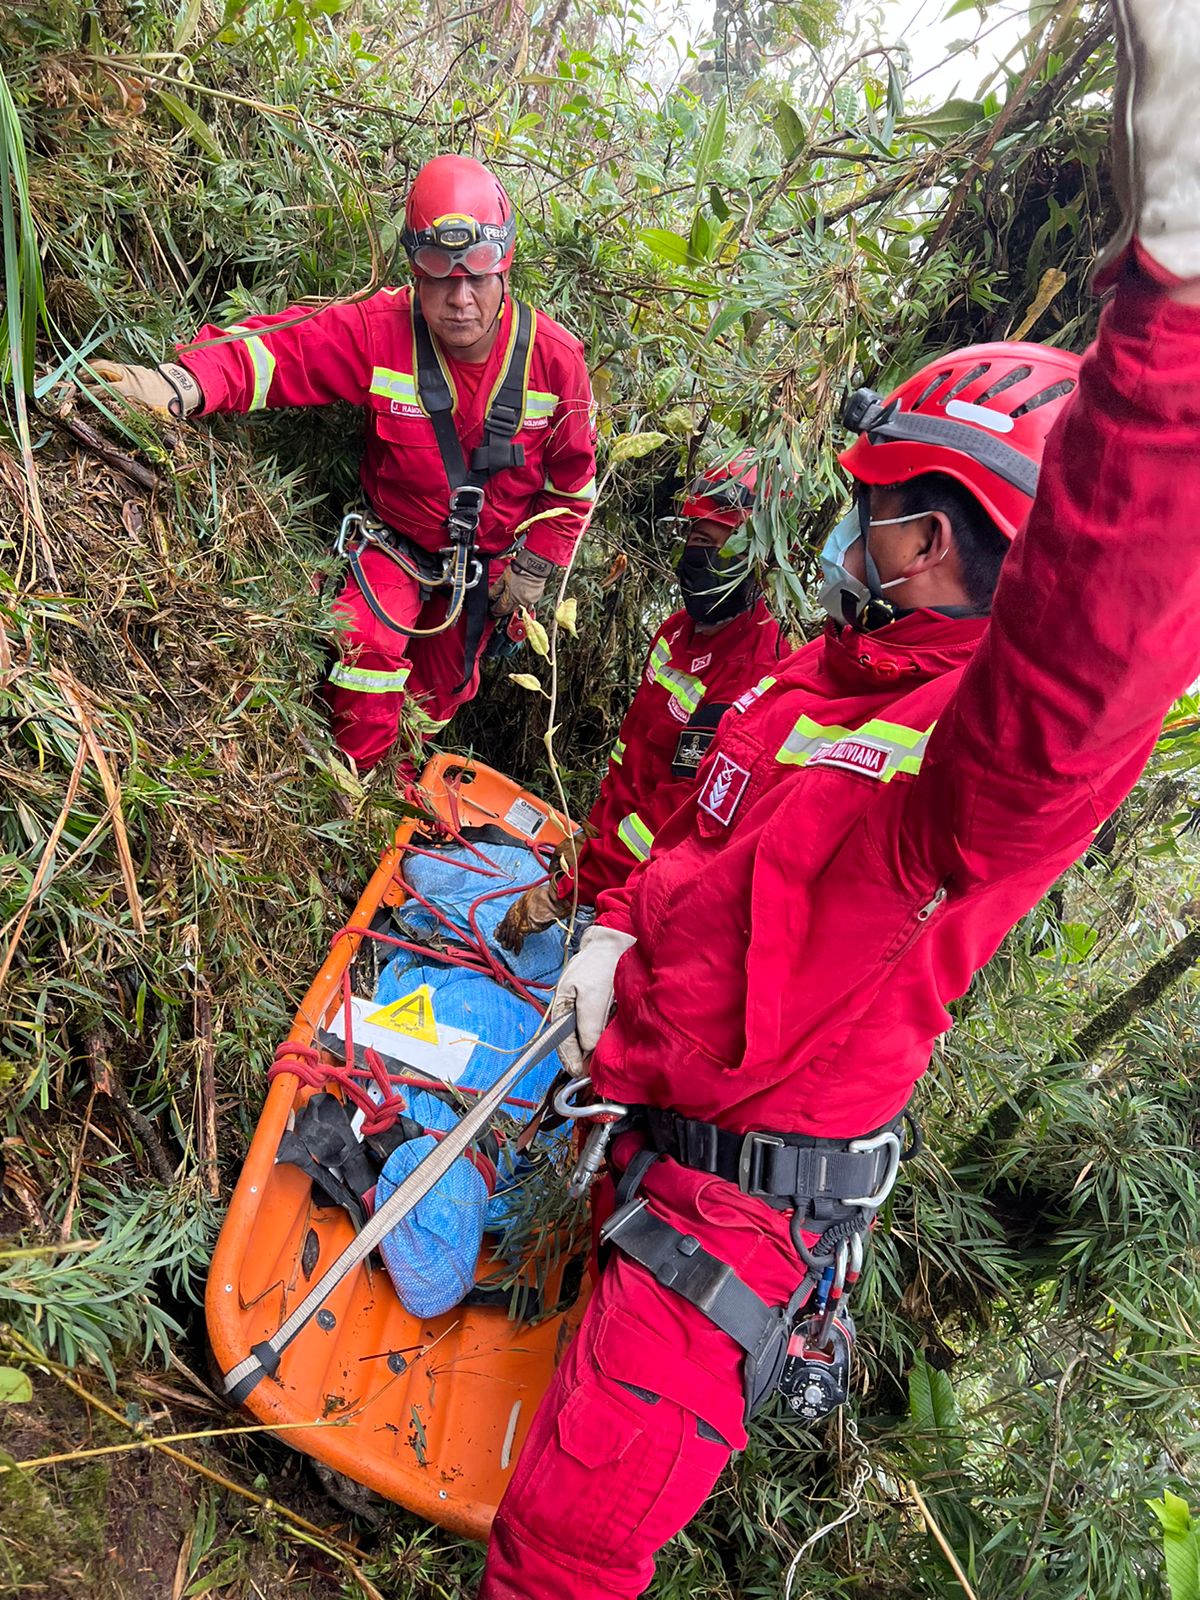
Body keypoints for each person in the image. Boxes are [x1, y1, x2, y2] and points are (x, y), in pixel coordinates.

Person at [479, 3, 1200, 1592]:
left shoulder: (975, 775)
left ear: (935, 536)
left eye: (870, 513)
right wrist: (622, 922)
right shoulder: (842, 678)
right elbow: (735, 789)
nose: (847, 536)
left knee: (558, 1554)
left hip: (730, 1232)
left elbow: (1089, 655)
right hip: (659, 1121)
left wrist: (1176, 324)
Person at [93, 155, 597, 771]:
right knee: (366, 650)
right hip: (397, 545)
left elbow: (572, 487)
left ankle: (402, 778)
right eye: (440, 277)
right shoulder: (382, 330)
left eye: (478, 278)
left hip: (487, 571)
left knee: (443, 693)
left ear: (505, 267)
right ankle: (352, 786)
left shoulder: (555, 360)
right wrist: (181, 384)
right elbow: (281, 351)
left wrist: (535, 566)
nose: (460, 300)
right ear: (414, 269)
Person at [495, 453, 786, 952]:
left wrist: (567, 890)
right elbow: (631, 753)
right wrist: (589, 837)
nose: (698, 557)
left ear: (754, 562)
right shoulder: (677, 633)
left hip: (645, 891)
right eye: (694, 540)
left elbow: (673, 817)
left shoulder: (752, 674)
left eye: (714, 546)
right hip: (606, 857)